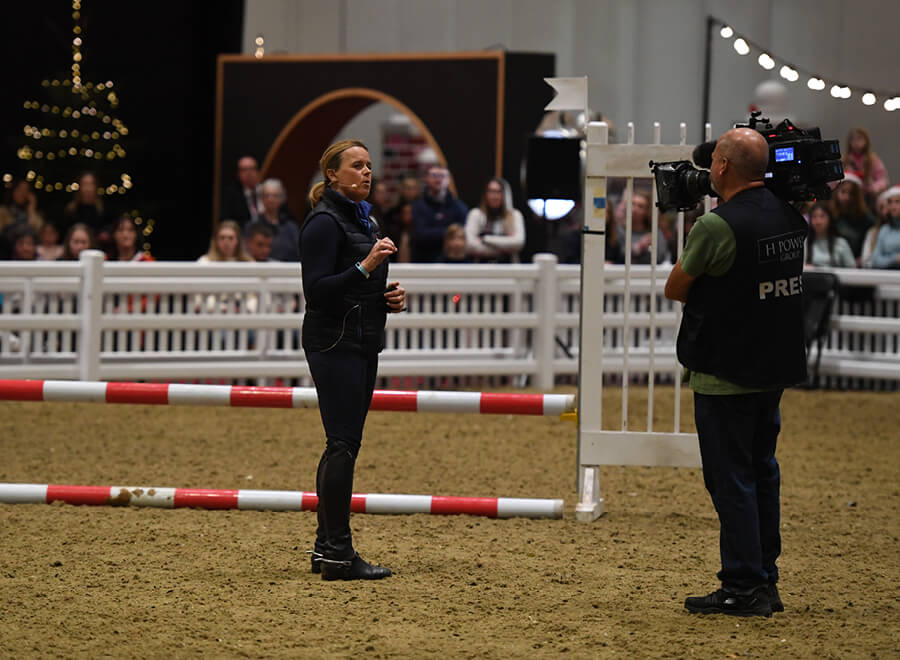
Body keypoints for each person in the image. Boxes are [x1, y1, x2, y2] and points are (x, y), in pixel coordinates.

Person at [664, 127, 808, 618]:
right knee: (762, 471)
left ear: (721, 167)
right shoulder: (789, 215)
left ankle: (742, 584)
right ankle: (764, 577)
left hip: (725, 371)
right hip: (772, 367)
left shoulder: (715, 227)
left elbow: (676, 287)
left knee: (731, 481)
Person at [300, 139, 406, 581]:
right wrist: (365, 267)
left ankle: (328, 550)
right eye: (357, 166)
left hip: (362, 339)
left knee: (342, 445)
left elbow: (356, 288)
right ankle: (338, 554)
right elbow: (317, 291)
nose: (367, 173)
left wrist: (388, 298)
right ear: (333, 175)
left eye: (369, 166)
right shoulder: (323, 223)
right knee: (343, 445)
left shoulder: (365, 220)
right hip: (333, 343)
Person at [410, 165, 467, 262]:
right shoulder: (418, 206)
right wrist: (448, 233)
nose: (438, 180)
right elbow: (420, 235)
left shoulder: (459, 207)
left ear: (449, 180)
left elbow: (461, 235)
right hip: (423, 261)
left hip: (451, 261)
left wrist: (435, 233)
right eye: (434, 175)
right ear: (426, 179)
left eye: (442, 176)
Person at [464, 177, 526, 263]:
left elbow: (518, 243)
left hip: (509, 270)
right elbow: (469, 245)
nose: (494, 196)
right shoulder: (476, 214)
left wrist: (485, 239)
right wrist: (506, 248)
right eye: (491, 191)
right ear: (485, 194)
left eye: (498, 192)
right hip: (481, 270)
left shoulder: (515, 215)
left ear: (505, 195)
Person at [830, 173, 876, 264]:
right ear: (836, 192)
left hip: (858, 264)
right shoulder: (829, 214)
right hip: (833, 262)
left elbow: (873, 239)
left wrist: (862, 259)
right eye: (843, 192)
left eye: (851, 194)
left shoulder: (866, 218)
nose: (846, 197)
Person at [253, 178, 300, 261]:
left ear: (282, 198)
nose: (270, 199)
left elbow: (298, 251)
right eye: (267, 195)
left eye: (275, 195)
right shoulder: (254, 225)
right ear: (261, 198)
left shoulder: (291, 227)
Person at [842, 128, 889, 204]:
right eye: (853, 139)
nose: (856, 142)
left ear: (866, 141)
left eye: (859, 139)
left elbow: (883, 179)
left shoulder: (872, 159)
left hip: (868, 196)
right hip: (849, 196)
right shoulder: (845, 160)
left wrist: (874, 188)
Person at [805, 203, 855, 268]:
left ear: (830, 219)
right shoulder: (804, 243)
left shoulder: (841, 243)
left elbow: (852, 268)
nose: (818, 221)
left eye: (822, 216)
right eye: (814, 216)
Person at [861, 185, 900, 268]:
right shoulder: (884, 230)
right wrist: (895, 259)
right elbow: (876, 261)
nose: (893, 207)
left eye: (897, 202)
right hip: (886, 277)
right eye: (890, 202)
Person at [221, 156, 263, 226]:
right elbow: (226, 221)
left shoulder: (268, 191)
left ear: (258, 171)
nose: (249, 173)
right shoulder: (231, 195)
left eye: (252, 169)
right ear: (238, 174)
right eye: (244, 170)